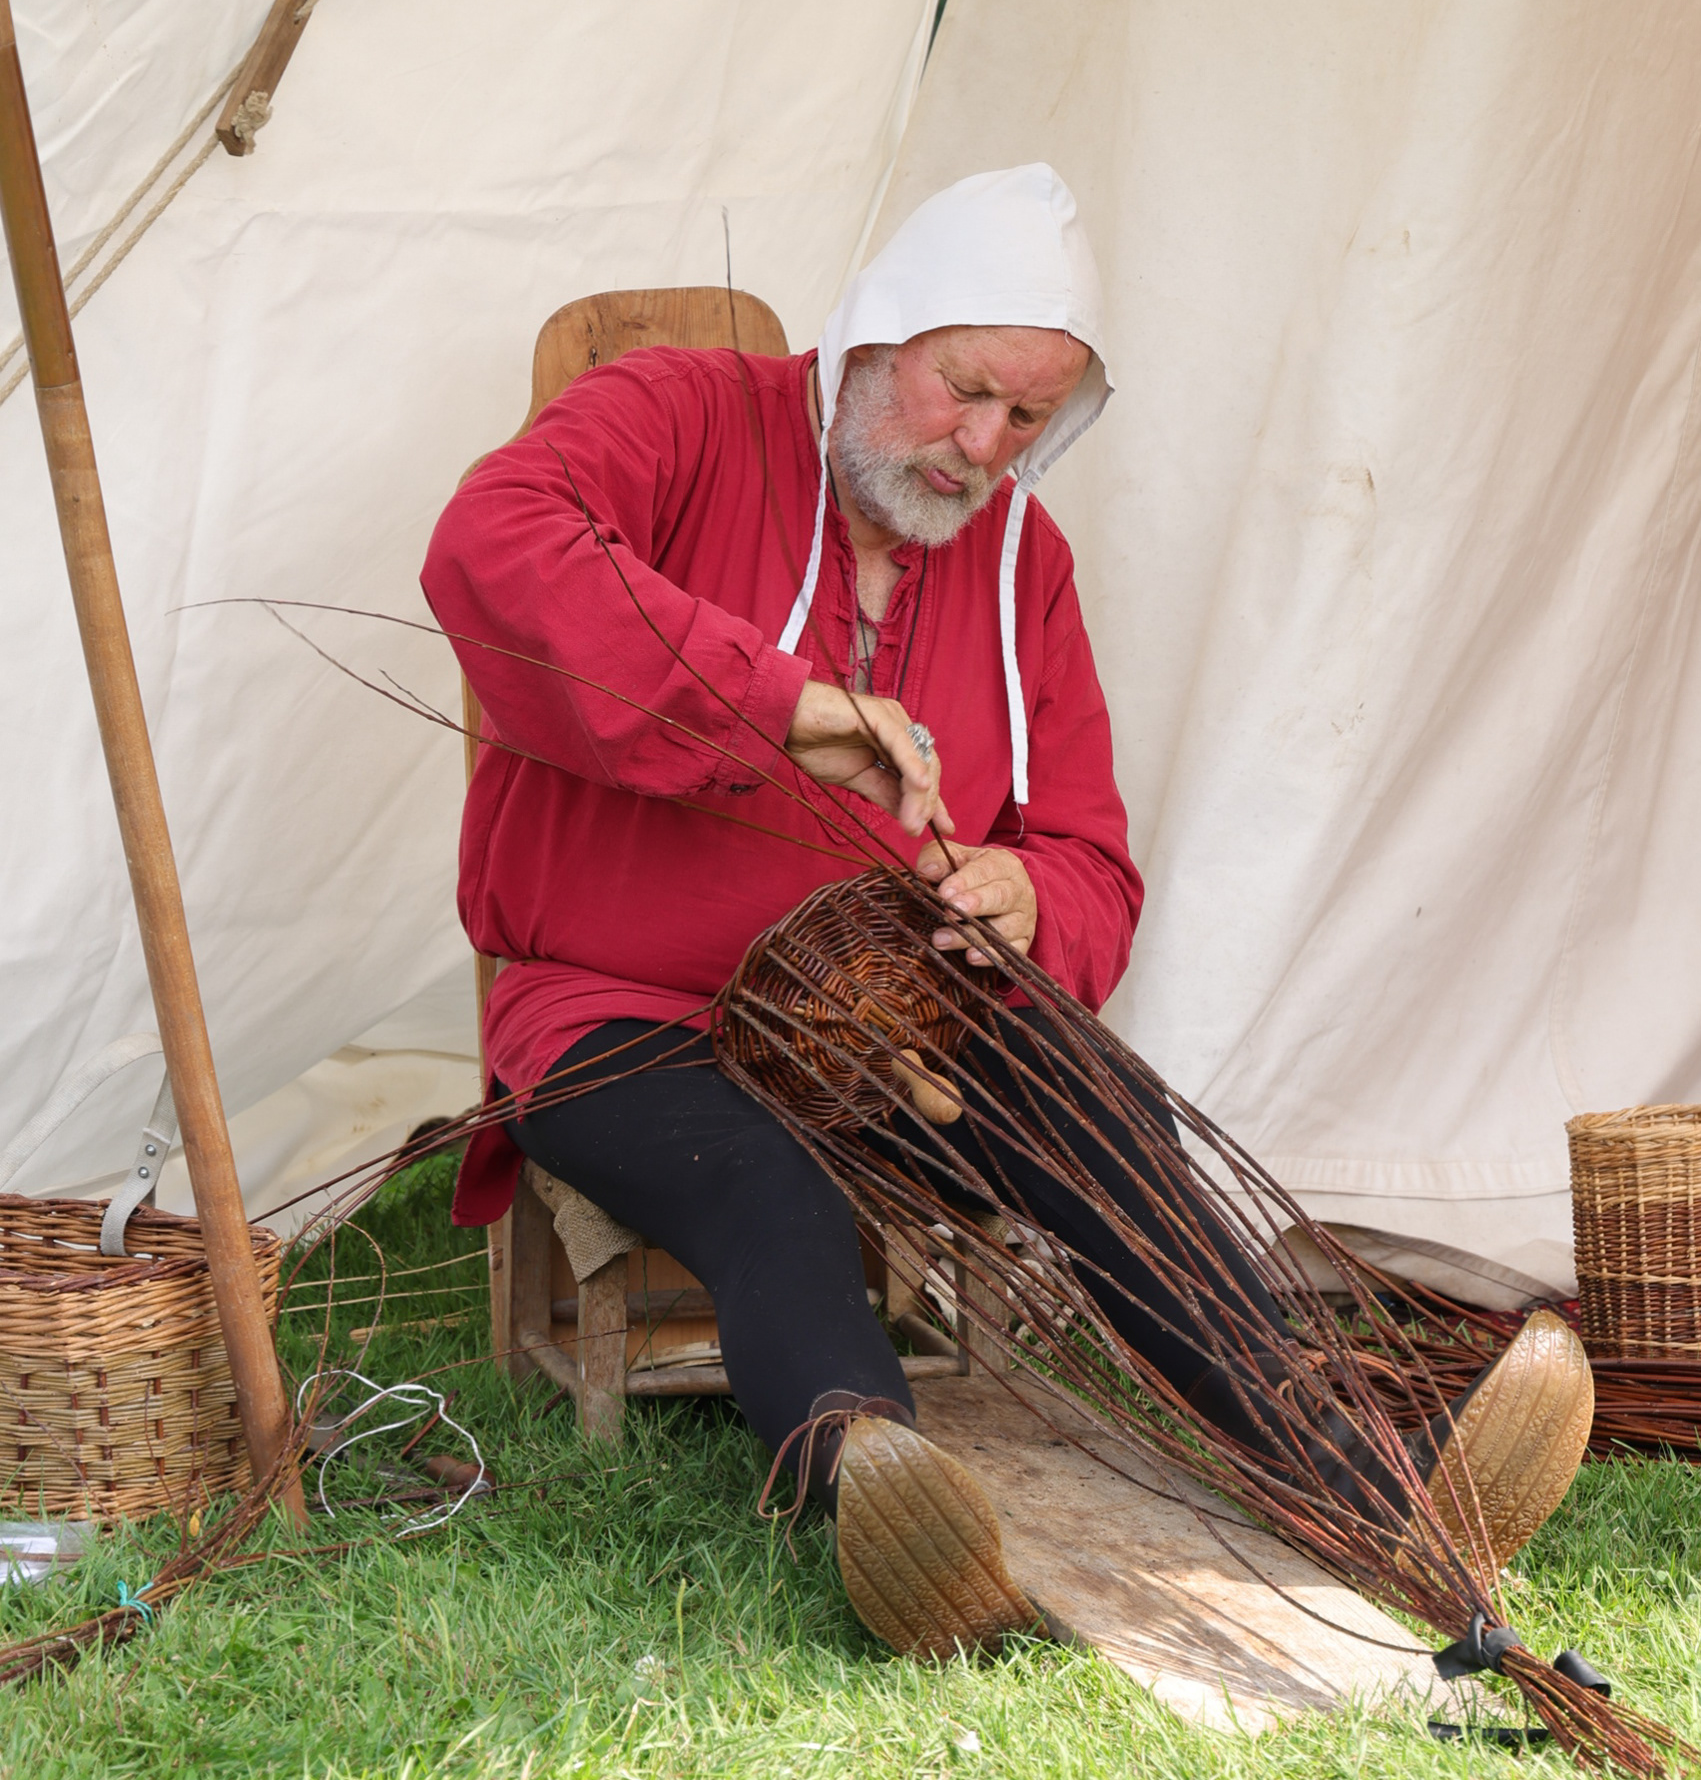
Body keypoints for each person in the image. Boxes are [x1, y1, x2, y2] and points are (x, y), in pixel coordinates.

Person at [423, 166, 1590, 1660]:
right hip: (621, 1010)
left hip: (888, 1028)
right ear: (879, 337)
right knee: (764, 1190)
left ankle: (1367, 1475)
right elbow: (491, 546)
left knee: (1105, 1123)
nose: (983, 446)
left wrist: (1032, 897)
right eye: (964, 390)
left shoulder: (1025, 564)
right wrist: (789, 706)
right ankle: (887, 1505)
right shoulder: (680, 416)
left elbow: (1093, 860)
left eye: (1027, 416)